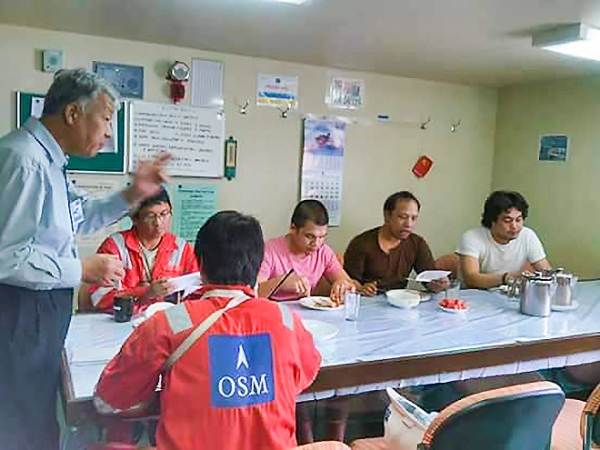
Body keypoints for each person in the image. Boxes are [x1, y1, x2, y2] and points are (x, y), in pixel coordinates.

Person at [0, 68, 171, 450]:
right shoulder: (25, 159)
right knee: (21, 422)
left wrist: (134, 194)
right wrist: (81, 269)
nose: (109, 131)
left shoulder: (51, 160)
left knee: (38, 415)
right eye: (107, 117)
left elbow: (81, 219)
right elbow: (7, 258)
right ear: (74, 113)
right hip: (19, 315)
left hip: (40, 311)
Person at [94, 211, 321, 450]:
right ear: (257, 265)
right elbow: (304, 376)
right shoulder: (287, 320)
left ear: (200, 264)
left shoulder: (169, 323)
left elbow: (108, 400)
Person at [88, 188, 198, 314]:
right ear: (135, 219)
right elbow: (99, 298)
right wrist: (146, 293)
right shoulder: (114, 246)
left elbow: (197, 290)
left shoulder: (182, 248)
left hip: (168, 321)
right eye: (151, 216)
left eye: (164, 214)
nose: (158, 223)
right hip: (125, 321)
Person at [344, 191, 449, 296]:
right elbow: (347, 282)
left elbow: (428, 280)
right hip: (367, 303)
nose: (409, 224)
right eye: (403, 217)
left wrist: (438, 284)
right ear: (387, 215)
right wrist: (361, 288)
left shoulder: (417, 243)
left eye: (414, 218)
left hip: (401, 302)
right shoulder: (361, 244)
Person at [257, 199, 355, 303]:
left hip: (307, 313)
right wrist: (281, 282)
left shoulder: (323, 251)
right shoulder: (269, 251)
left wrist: (342, 285)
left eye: (322, 237)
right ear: (293, 228)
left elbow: (349, 284)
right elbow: (253, 293)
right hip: (274, 310)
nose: (316, 243)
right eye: (310, 236)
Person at [456, 190, 551, 289]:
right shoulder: (472, 237)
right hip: (473, 296)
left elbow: (545, 270)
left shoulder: (527, 235)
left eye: (518, 219)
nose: (514, 226)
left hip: (507, 296)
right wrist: (506, 278)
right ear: (492, 221)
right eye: (507, 221)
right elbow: (471, 279)